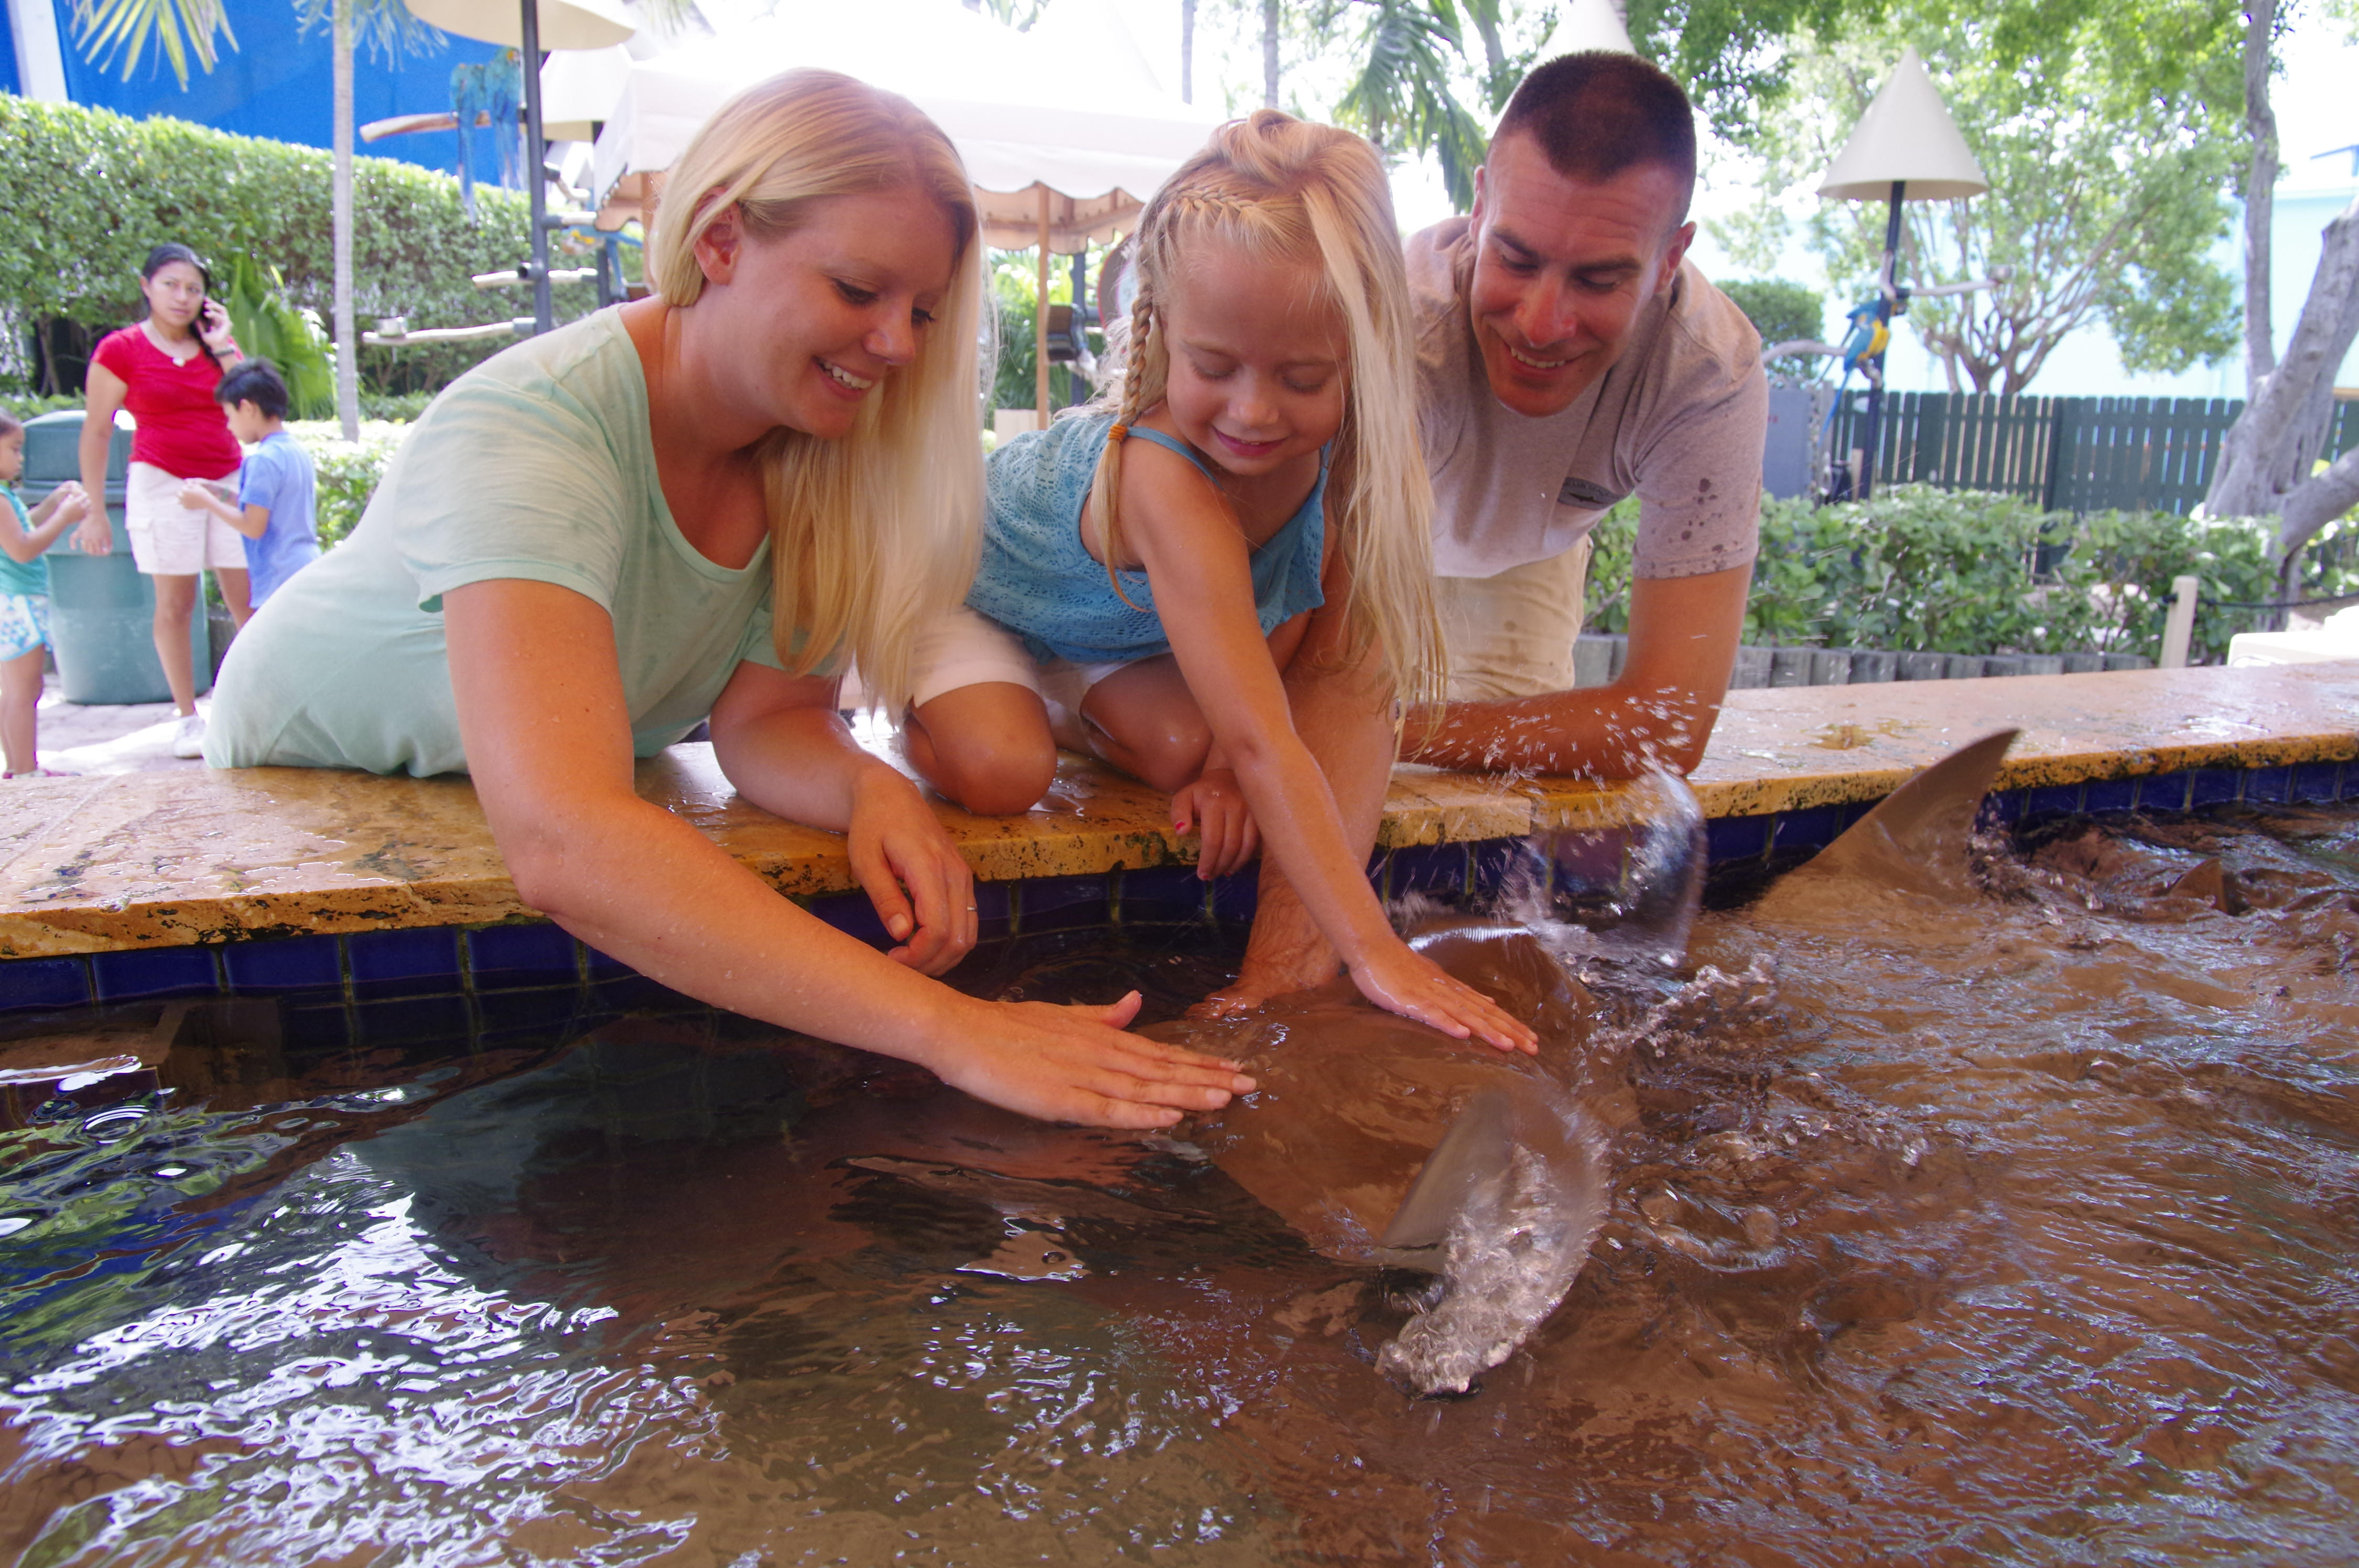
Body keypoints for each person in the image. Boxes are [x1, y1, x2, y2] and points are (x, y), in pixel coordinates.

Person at [205, 70, 1255, 1130]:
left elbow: (769, 718)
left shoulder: (819, 451)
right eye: (857, 291)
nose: (897, 343)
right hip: (294, 779)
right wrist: (955, 1030)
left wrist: (865, 789)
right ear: (717, 239)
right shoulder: (533, 427)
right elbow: (566, 839)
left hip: (470, 782)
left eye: (922, 310)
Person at [900, 112, 1535, 1055]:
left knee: (1182, 748)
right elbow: (1268, 731)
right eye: (1213, 366)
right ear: (1162, 330)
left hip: (1106, 632)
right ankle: (929, 698)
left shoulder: (1336, 462)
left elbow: (1284, 619)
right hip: (965, 595)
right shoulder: (1167, 478)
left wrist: (1223, 768)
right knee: (1004, 769)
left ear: (1358, 359)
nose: (1252, 410)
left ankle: (1073, 700)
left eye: (1302, 376)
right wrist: (1374, 950)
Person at [1397, 52, 1767, 778]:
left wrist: (1390, 728)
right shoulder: (1398, 329)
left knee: (1498, 806)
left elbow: (1670, 723)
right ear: (1478, 209)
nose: (1540, 324)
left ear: (1670, 259)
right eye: (1516, 259)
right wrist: (1344, 716)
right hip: (1373, 540)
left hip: (1532, 557)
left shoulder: (1707, 374)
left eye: (1599, 279)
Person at [74, 243, 251, 760]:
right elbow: (97, 431)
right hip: (160, 480)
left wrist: (222, 345)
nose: (183, 297)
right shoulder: (121, 349)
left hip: (227, 477)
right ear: (146, 286)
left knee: (247, 600)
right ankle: (186, 716)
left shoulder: (217, 345)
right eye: (171, 285)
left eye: (194, 289)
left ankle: (253, 700)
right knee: (176, 602)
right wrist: (93, 509)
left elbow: (252, 400)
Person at [175, 360, 320, 611]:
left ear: (247, 408)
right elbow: (267, 507)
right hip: (306, 568)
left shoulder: (263, 460)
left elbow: (253, 526)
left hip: (279, 576)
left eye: (230, 416)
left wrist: (206, 502)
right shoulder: (294, 450)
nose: (230, 426)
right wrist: (221, 494)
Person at [0, 413, 90, 779]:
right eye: (14, 449)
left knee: (14, 690)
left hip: (15, 601)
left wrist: (54, 504)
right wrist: (65, 517)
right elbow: (23, 549)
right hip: (19, 602)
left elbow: (23, 527)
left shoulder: (7, 497)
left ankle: (18, 768)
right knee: (26, 689)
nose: (20, 458)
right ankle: (26, 773)